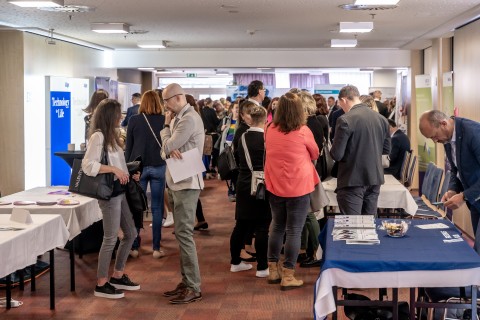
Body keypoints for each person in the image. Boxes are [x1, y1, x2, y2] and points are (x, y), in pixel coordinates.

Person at [82, 99, 139, 299]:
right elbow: (88, 165)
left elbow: (118, 163)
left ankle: (117, 274)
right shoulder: (98, 137)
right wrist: (114, 169)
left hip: (119, 191)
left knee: (131, 233)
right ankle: (101, 283)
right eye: (118, 113)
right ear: (110, 115)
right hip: (109, 195)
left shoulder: (112, 137)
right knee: (110, 238)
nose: (121, 116)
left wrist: (129, 172)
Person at [265, 92, 320, 290]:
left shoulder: (269, 128)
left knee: (277, 226)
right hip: (299, 186)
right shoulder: (303, 130)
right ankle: (288, 275)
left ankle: (273, 270)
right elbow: (315, 152)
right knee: (294, 230)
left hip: (275, 184)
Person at [160, 83, 204, 304]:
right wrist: (167, 144)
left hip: (187, 182)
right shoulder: (181, 117)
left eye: (166, 101)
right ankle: (187, 281)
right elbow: (164, 150)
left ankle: (193, 286)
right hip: (178, 180)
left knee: (184, 234)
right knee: (180, 234)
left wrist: (166, 129)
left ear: (177, 98)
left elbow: (167, 146)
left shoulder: (187, 119)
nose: (165, 106)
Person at [419, 110, 480, 254]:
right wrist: (453, 189)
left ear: (443, 124)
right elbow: (455, 169)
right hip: (476, 201)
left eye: (434, 136)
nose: (435, 141)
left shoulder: (474, 133)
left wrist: (464, 196)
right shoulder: (447, 139)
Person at [330, 85, 391, 215]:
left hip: (352, 179)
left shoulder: (345, 120)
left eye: (340, 103)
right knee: (369, 225)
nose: (341, 107)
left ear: (344, 100)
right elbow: (386, 150)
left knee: (352, 226)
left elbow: (337, 154)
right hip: (375, 179)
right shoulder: (382, 119)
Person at [229, 105, 271, 278]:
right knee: (262, 227)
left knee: (241, 225)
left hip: (244, 183)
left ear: (250, 119)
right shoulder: (267, 138)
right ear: (265, 120)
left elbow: (237, 157)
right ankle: (262, 267)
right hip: (263, 184)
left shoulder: (242, 136)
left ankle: (235, 262)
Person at [125, 90, 166, 259]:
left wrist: (128, 169)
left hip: (138, 169)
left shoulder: (134, 120)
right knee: (157, 208)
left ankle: (134, 246)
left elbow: (129, 147)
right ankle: (156, 248)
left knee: (136, 207)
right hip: (159, 166)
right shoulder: (164, 121)